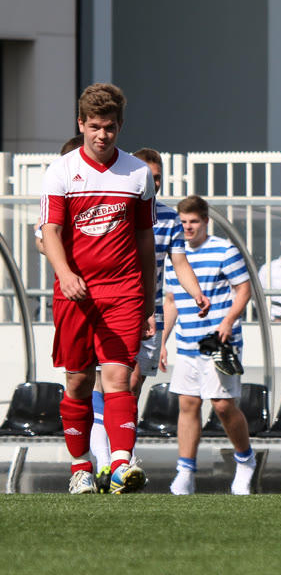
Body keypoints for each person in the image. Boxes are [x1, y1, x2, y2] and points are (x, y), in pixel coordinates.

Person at [39, 83, 156, 494]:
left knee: (119, 377)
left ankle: (121, 465)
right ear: (81, 124)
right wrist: (65, 273)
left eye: (109, 127)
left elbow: (145, 240)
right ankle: (81, 469)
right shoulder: (61, 170)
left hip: (123, 290)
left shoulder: (138, 173)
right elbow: (49, 231)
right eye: (94, 127)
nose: (102, 135)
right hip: (75, 294)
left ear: (120, 126)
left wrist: (147, 300)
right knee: (77, 382)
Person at [87, 149, 211, 492]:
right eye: (148, 176)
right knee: (111, 385)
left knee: (131, 388)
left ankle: (117, 463)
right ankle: (110, 463)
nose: (152, 183)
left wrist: (197, 293)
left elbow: (179, 262)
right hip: (113, 308)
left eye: (157, 178)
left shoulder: (169, 217)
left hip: (149, 313)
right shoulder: (117, 208)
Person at [160, 195, 255, 495]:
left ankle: (245, 460)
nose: (188, 227)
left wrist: (228, 321)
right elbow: (171, 301)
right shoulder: (174, 254)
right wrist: (162, 340)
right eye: (183, 222)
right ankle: (185, 472)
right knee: (187, 404)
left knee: (223, 405)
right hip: (187, 342)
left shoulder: (224, 250)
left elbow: (244, 290)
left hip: (219, 343)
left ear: (205, 221)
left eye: (194, 221)